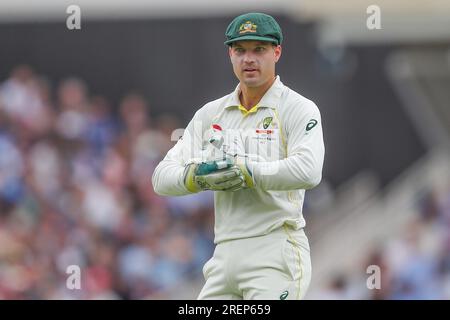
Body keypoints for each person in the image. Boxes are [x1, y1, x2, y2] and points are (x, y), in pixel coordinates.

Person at [152, 12, 325, 300]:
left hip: (274, 249)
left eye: (259, 49)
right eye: (240, 50)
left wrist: (247, 171)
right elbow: (161, 177)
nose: (249, 59)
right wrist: (198, 177)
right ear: (230, 54)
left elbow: (308, 171)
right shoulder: (211, 113)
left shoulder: (298, 108)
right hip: (223, 255)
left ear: (277, 52)